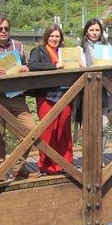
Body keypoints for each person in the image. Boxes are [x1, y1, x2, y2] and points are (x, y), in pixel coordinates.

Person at [0, 16, 40, 180]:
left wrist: (26, 68)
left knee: (30, 130)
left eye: (6, 28)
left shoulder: (18, 45)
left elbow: (26, 65)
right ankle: (0, 169)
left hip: (17, 96)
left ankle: (19, 167)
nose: (3, 31)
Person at [28, 24, 74, 175]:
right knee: (48, 131)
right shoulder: (38, 51)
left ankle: (64, 163)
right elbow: (33, 66)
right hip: (46, 96)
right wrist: (55, 66)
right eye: (52, 36)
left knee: (63, 130)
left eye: (57, 36)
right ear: (47, 36)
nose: (54, 39)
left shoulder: (65, 52)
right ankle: (46, 165)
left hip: (65, 95)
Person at [77, 18, 112, 134]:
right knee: (88, 127)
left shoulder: (108, 47)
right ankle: (89, 153)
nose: (94, 32)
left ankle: (100, 152)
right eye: (91, 30)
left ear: (101, 32)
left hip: (104, 90)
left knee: (104, 126)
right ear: (86, 31)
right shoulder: (80, 49)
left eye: (97, 30)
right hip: (86, 91)